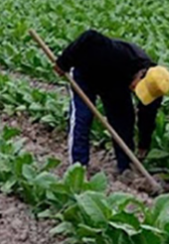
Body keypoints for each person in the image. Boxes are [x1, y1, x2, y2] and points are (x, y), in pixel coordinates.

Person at [54, 30, 169, 174]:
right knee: (82, 118)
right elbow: (89, 36)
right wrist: (63, 62)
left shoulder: (156, 87)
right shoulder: (118, 54)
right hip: (86, 73)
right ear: (141, 74)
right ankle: (78, 167)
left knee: (124, 121)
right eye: (138, 87)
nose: (135, 90)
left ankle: (125, 167)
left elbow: (147, 117)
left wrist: (143, 145)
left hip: (115, 84)